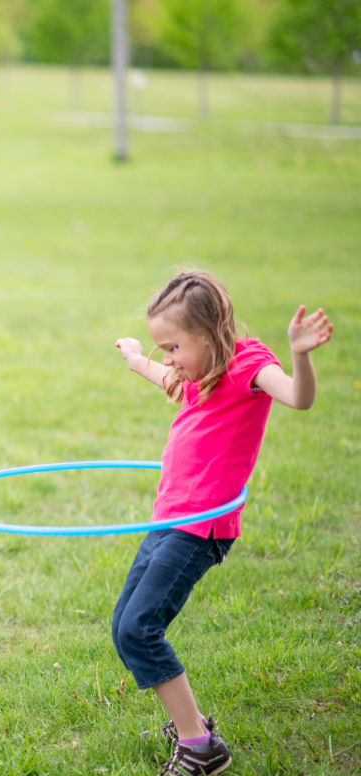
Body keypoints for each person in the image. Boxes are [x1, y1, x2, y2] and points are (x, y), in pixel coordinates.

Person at [113, 271, 332, 775]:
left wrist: (299, 354)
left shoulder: (249, 366)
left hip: (199, 530)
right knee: (124, 626)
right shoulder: (198, 375)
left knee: (140, 631)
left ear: (208, 336)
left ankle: (199, 746)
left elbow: (298, 397)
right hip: (168, 519)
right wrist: (134, 359)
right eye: (161, 348)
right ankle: (191, 724)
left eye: (172, 346)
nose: (167, 359)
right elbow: (166, 377)